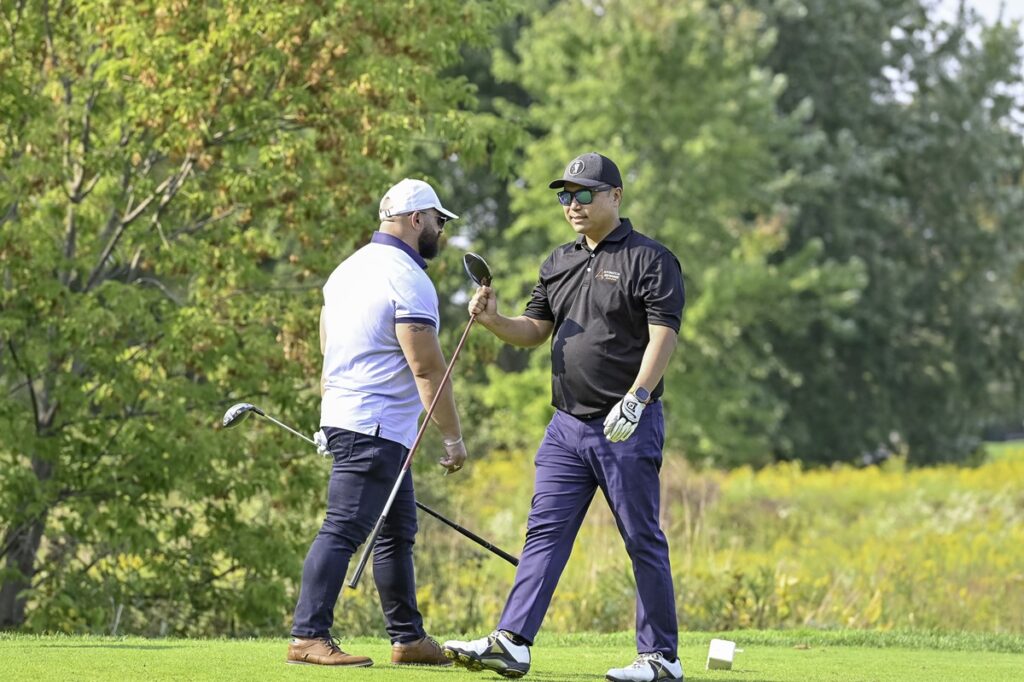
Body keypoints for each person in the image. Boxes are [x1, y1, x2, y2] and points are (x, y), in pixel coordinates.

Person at [442, 153, 686, 682]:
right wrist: (494, 321)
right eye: (565, 196)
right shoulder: (558, 262)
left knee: (640, 536)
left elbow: (664, 334)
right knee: (544, 533)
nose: (573, 205)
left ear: (615, 196)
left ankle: (661, 657)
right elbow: (534, 330)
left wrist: (637, 397)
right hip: (566, 427)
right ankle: (512, 643)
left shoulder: (651, 258)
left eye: (584, 194)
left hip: (626, 423)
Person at [287, 178, 469, 668]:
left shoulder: (345, 271)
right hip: (375, 426)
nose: (441, 230)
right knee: (343, 529)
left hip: (355, 419)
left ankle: (408, 639)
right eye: (438, 220)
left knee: (395, 532)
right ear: (416, 219)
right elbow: (427, 369)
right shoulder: (408, 278)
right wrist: (453, 438)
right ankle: (308, 636)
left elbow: (327, 347)